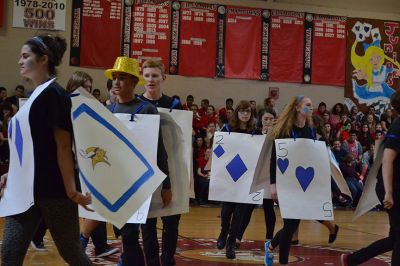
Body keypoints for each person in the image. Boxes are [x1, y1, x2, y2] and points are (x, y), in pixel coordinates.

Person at [0, 35, 92, 265]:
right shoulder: (33, 96)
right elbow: (31, 147)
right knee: (10, 253)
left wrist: (71, 191)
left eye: (25, 56)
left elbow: (63, 146)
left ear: (43, 59)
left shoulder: (54, 95)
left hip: (54, 191)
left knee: (72, 253)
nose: (20, 61)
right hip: (25, 191)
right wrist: (12, 173)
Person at [104, 56, 170, 266]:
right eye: (114, 77)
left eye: (122, 78)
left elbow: (160, 151)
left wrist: (166, 186)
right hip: (117, 183)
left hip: (142, 183)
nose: (116, 82)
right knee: (127, 235)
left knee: (141, 233)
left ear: (133, 82)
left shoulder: (147, 110)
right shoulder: (108, 111)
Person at [341, 91, 400, 265]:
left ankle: (352, 260)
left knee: (395, 237)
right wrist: (389, 193)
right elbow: (388, 160)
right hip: (392, 187)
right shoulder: (398, 126)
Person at [138, 59, 181, 266]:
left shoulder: (174, 104)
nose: (151, 79)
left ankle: (168, 260)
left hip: (171, 169)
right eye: (147, 75)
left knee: (171, 221)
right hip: (145, 173)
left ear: (163, 78)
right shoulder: (136, 103)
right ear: (141, 77)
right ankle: (153, 262)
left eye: (155, 75)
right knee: (147, 224)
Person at [265, 95, 317, 266]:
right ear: (297, 108)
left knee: (292, 224)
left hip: (300, 183)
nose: (311, 107)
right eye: (308, 105)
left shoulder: (310, 130)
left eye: (311, 105)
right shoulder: (284, 130)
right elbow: (274, 159)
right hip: (283, 183)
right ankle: (283, 262)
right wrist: (273, 185)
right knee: (289, 223)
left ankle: (271, 245)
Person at [216, 100, 261, 259]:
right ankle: (223, 231)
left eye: (248, 111)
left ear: (251, 113)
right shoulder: (227, 128)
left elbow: (259, 155)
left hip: (246, 178)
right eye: (242, 111)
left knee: (240, 213)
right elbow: (217, 149)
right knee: (227, 210)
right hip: (229, 176)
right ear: (237, 113)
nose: (245, 114)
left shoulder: (256, 132)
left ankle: (230, 243)